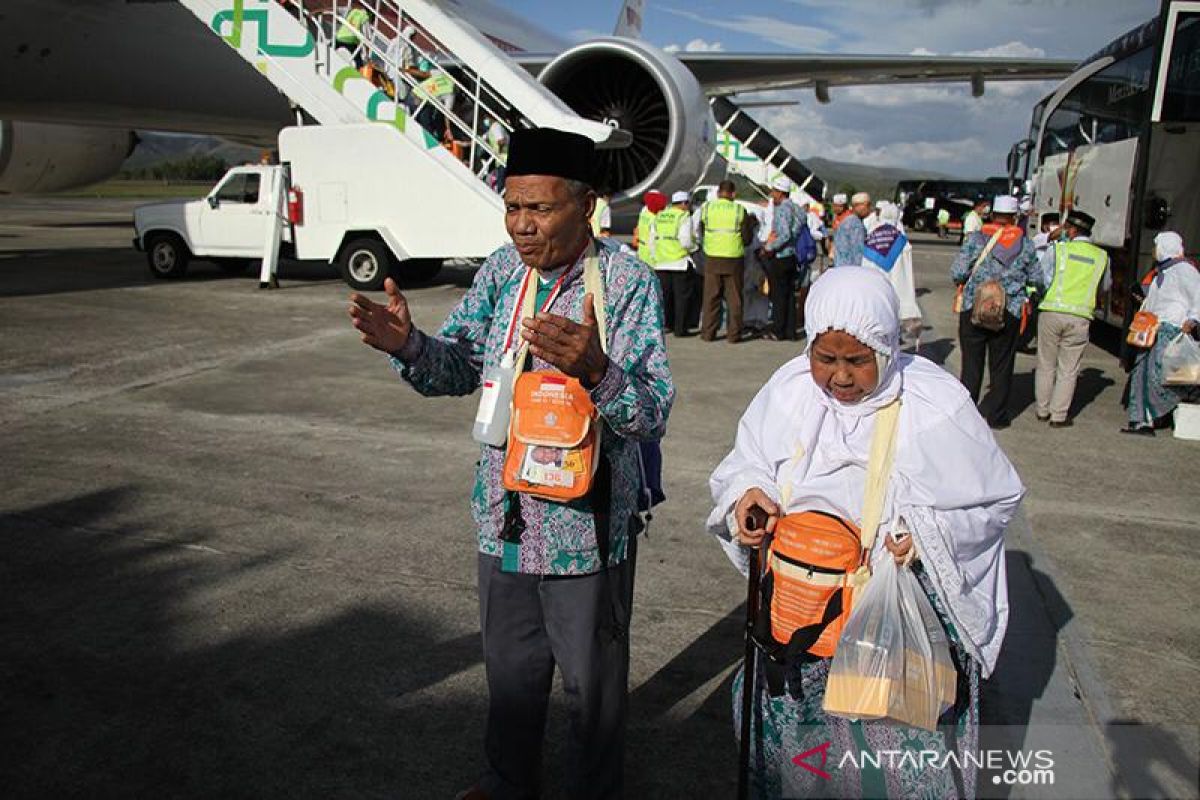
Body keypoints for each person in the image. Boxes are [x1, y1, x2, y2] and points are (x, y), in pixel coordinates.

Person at [348, 127, 674, 800]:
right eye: (513, 207)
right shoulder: (503, 272)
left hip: (586, 529)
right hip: (505, 516)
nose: (523, 226)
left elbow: (651, 412)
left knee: (594, 689)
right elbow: (459, 368)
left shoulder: (626, 283)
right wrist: (410, 346)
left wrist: (597, 371)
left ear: (586, 206)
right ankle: (507, 784)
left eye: (540, 208)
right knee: (512, 676)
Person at [708, 266, 1024, 799]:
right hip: (799, 609)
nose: (839, 376)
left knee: (883, 756)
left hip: (883, 622)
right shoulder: (789, 390)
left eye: (857, 360)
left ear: (886, 345)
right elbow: (749, 462)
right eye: (824, 358)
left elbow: (994, 500)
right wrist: (749, 496)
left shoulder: (932, 405)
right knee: (804, 757)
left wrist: (924, 536)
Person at [950, 195, 1045, 429]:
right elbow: (1037, 279)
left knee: (971, 364)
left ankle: (967, 413)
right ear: (1014, 217)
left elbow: (958, 272)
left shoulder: (976, 239)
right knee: (1002, 365)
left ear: (992, 215)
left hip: (975, 307)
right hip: (1009, 310)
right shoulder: (1025, 244)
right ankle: (997, 415)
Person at [1034, 210, 1111, 427]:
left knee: (1046, 364)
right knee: (1069, 369)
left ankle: (1042, 409)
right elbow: (1105, 287)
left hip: (1051, 311)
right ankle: (1059, 416)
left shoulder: (1058, 250)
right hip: (1080, 317)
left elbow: (1042, 278)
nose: (1062, 231)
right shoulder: (1102, 257)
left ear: (1073, 230)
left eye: (1065, 228)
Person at [1123, 231, 1200, 435]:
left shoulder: (1185, 270)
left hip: (1170, 330)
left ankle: (1152, 416)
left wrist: (1192, 320)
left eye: (1156, 246)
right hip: (1151, 330)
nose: (1153, 251)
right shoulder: (1162, 271)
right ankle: (1140, 420)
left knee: (1160, 376)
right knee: (1142, 374)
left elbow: (1198, 295)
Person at [698, 180, 756, 342]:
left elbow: (702, 230)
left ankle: (708, 334)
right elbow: (747, 238)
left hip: (712, 257)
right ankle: (734, 335)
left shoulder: (707, 208)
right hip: (734, 258)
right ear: (733, 194)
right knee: (735, 299)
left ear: (718, 193)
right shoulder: (739, 210)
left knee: (710, 297)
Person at [863, 202, 922, 344]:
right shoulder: (902, 241)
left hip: (874, 290)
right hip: (894, 290)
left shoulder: (871, 237)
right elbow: (906, 273)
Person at [757, 177, 803, 341]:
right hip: (791, 255)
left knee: (778, 295)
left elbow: (784, 234)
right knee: (789, 295)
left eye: (774, 192)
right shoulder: (796, 209)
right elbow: (796, 230)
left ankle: (778, 330)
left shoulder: (783, 209)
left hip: (781, 256)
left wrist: (769, 247)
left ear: (780, 193)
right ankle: (790, 330)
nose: (772, 195)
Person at [653, 191, 701, 337]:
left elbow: (652, 240)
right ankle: (680, 329)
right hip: (679, 262)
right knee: (681, 298)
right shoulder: (684, 216)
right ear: (684, 203)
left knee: (665, 297)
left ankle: (666, 325)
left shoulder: (659, 216)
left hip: (661, 263)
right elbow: (685, 240)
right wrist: (695, 248)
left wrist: (657, 256)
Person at [832, 191, 870, 267]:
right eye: (867, 205)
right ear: (857, 206)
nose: (869, 208)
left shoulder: (849, 220)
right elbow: (858, 253)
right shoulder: (855, 224)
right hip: (850, 270)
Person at [631, 189, 667, 268]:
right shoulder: (655, 216)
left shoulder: (644, 212)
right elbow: (653, 238)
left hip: (642, 249)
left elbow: (638, 228)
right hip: (650, 252)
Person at [335, 3, 371, 68]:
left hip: (339, 37)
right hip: (351, 41)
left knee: (330, 53)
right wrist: (367, 56)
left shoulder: (351, 10)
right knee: (359, 65)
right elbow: (367, 38)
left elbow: (335, 9)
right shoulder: (364, 16)